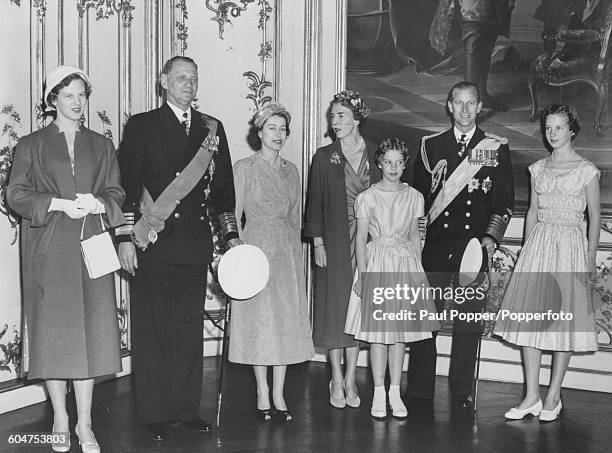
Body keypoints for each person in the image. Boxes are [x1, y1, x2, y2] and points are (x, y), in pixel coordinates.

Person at [116, 56, 240, 441]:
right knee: (153, 330)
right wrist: (123, 238)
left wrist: (232, 240)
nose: (189, 84)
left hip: (193, 245)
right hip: (151, 243)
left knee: (188, 331)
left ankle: (186, 410)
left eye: (194, 78)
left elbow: (224, 194)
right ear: (163, 81)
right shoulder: (142, 126)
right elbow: (125, 187)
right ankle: (154, 412)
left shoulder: (212, 129)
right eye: (181, 77)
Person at [7, 65, 125, 453]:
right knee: (55, 336)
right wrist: (55, 203)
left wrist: (100, 202)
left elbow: (116, 192)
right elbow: (16, 195)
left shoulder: (101, 144)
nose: (77, 102)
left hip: (91, 244)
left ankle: (86, 424)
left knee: (90, 334)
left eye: (82, 95)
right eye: (69, 95)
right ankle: (60, 417)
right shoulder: (31, 144)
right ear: (52, 99)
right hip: (50, 248)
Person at [411, 81, 514, 407]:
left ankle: (461, 390)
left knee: (468, 323)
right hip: (437, 248)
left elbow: (504, 204)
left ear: (480, 106)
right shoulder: (431, 146)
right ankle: (419, 388)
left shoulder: (495, 148)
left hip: (474, 248)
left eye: (472, 104)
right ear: (449, 106)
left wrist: (488, 240)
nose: (466, 110)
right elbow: (416, 201)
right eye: (459, 103)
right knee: (426, 321)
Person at [494, 104, 600, 421]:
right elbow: (531, 211)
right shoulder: (538, 168)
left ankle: (553, 396)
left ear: (571, 130)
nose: (551, 133)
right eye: (548, 127)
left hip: (569, 247)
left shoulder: (587, 170)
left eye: (558, 127)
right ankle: (531, 396)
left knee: (561, 322)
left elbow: (593, 217)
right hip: (539, 245)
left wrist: (591, 257)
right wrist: (526, 251)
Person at [229, 103, 314, 422]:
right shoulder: (245, 168)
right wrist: (235, 251)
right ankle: (261, 390)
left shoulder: (292, 170)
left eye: (283, 129)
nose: (278, 135)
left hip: (287, 251)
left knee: (285, 322)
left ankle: (279, 392)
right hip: (255, 247)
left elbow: (294, 216)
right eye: (272, 129)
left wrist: (296, 255)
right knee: (259, 321)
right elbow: (234, 216)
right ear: (259, 132)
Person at [345, 138, 441, 419]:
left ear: (404, 164)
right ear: (379, 163)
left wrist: (418, 271)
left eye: (399, 162)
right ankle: (377, 391)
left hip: (404, 264)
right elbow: (361, 240)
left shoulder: (414, 197)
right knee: (378, 334)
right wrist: (363, 276)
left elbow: (414, 235)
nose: (394, 167)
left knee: (399, 334)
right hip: (377, 263)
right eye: (388, 162)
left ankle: (395, 392)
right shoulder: (367, 197)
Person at [304, 90, 381, 409]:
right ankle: (335, 378)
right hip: (335, 243)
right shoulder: (324, 156)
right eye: (332, 116)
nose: (334, 121)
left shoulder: (377, 153)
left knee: (360, 313)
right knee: (335, 312)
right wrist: (318, 243)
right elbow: (314, 204)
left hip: (370, 245)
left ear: (357, 118)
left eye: (341, 115)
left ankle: (351, 379)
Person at [430, 0, 516, 111]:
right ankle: (469, 104)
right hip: (472, 8)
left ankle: (483, 95)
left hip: (495, 6)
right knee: (473, 52)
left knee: (486, 48)